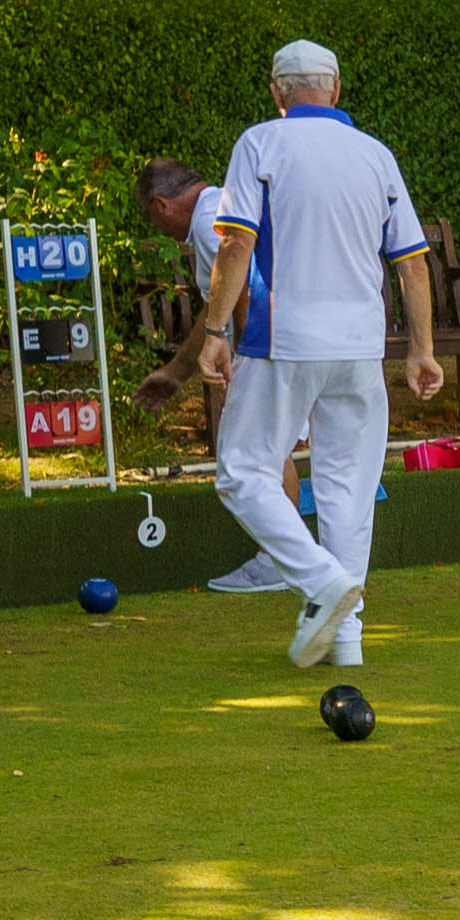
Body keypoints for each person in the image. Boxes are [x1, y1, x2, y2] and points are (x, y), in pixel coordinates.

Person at [196, 40, 445, 667]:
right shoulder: (376, 156)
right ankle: (348, 642)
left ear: (278, 93)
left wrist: (215, 332)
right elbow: (413, 265)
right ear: (335, 89)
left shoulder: (259, 143)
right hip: (360, 349)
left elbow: (233, 248)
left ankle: (320, 582)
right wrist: (422, 350)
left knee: (243, 472)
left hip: (283, 341)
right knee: (348, 491)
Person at [132, 158, 298, 596]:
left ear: (162, 205)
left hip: (272, 345)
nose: (157, 228)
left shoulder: (210, 224)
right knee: (270, 446)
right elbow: (216, 310)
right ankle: (288, 559)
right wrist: (176, 373)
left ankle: (283, 560)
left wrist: (247, 363)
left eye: (152, 218)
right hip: (301, 339)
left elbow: (244, 294)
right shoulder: (225, 204)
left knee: (249, 455)